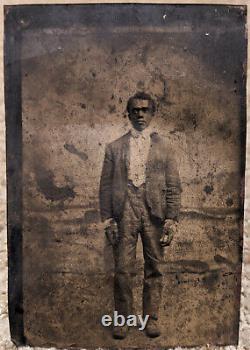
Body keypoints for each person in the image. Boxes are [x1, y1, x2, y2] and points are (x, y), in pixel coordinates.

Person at [99, 92, 181, 339]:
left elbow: (174, 185)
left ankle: (151, 319)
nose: (140, 114)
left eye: (145, 110)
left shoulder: (165, 148)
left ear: (153, 113)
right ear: (128, 113)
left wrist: (171, 219)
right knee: (123, 268)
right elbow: (104, 186)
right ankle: (123, 319)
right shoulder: (114, 148)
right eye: (135, 110)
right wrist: (108, 219)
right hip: (124, 212)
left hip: (153, 213)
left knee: (154, 267)